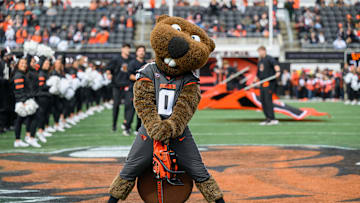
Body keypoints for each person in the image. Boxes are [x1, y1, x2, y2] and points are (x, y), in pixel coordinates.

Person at [12, 57, 41, 147]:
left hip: (24, 99)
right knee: (32, 118)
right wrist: (23, 101)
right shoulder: (18, 75)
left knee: (20, 120)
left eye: (25, 63)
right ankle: (29, 138)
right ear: (17, 65)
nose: (24, 65)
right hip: (23, 101)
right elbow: (19, 90)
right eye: (22, 63)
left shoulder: (22, 74)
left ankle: (19, 140)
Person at [106, 44, 132, 132]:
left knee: (128, 106)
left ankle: (126, 124)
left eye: (129, 48)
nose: (128, 50)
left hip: (127, 85)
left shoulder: (131, 59)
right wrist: (109, 74)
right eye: (126, 48)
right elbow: (109, 68)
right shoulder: (116, 59)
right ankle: (114, 125)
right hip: (117, 86)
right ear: (122, 49)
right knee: (116, 106)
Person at [122, 45, 146, 136]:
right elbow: (129, 75)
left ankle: (138, 128)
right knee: (130, 110)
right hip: (132, 89)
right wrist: (139, 78)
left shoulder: (146, 64)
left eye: (143, 50)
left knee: (141, 110)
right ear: (136, 52)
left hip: (143, 90)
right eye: (139, 50)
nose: (141, 52)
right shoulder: (132, 63)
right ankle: (127, 127)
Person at [254, 46, 280, 125]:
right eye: (258, 52)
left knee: (268, 101)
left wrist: (278, 71)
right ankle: (267, 118)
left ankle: (272, 119)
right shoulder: (260, 61)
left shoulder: (269, 58)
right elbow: (258, 74)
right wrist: (255, 81)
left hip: (269, 83)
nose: (259, 53)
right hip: (262, 83)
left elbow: (276, 65)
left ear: (264, 51)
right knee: (263, 101)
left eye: (260, 51)